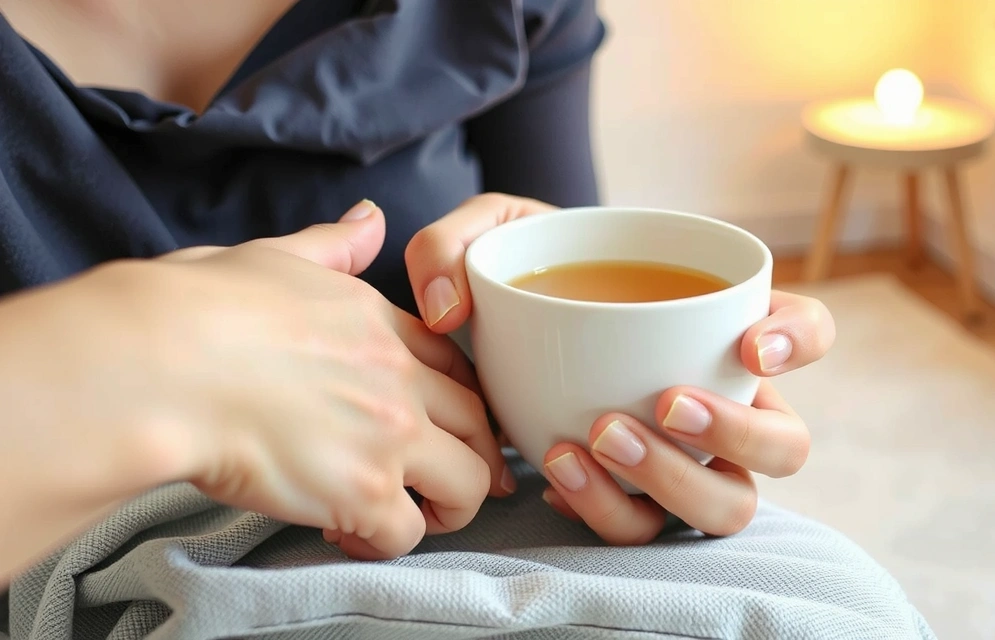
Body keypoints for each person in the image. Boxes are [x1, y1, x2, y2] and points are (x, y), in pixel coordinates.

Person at [0, 1, 936, 638]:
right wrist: (166, 353)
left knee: (840, 606)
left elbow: (564, 233)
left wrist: (624, 408)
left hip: (473, 525)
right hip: (76, 567)